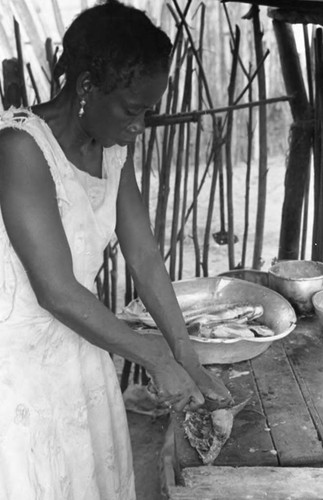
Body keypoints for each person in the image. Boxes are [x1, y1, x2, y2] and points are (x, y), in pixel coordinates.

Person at [0, 1, 232, 498]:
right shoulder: (19, 148)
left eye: (148, 111)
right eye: (132, 110)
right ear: (86, 87)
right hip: (19, 372)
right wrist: (155, 358)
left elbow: (145, 260)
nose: (140, 127)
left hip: (85, 350)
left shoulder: (111, 150)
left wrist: (187, 359)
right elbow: (57, 291)